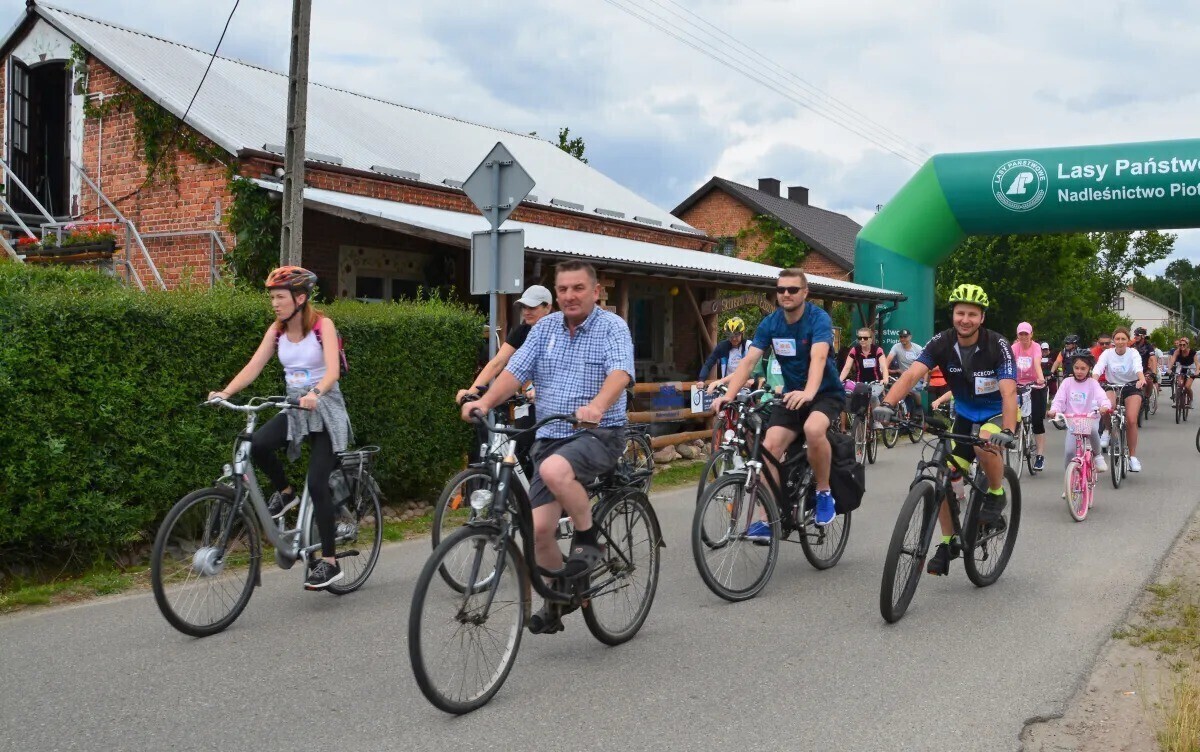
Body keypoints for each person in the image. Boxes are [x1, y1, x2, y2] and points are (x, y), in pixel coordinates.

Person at [460, 260, 634, 635]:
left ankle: (588, 541)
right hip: (549, 436)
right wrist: (485, 402)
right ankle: (559, 596)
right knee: (539, 530)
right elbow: (514, 371)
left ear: (596, 291)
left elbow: (620, 373)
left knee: (555, 469)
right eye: (563, 290)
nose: (570, 296)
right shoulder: (544, 330)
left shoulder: (612, 327)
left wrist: (598, 406)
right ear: (556, 295)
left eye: (578, 288)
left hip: (598, 433)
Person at [208, 266, 353, 590]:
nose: (274, 303)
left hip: (325, 408)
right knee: (257, 444)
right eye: (272, 297)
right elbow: (254, 365)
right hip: (295, 407)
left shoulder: (322, 325)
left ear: (300, 298)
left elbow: (332, 372)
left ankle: (329, 562)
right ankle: (285, 493)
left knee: (317, 483)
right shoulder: (276, 331)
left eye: (280, 297)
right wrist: (226, 393)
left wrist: (316, 393)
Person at [876, 283, 1018, 576]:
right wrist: (888, 404)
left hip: (995, 411)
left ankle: (995, 491)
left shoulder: (997, 344)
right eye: (960, 313)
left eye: (972, 314)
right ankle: (947, 540)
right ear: (953, 314)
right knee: (944, 474)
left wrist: (1008, 429)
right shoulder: (941, 342)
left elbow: (1008, 392)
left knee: (984, 442)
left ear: (982, 318)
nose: (965, 319)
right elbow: (913, 373)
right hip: (965, 413)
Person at [709, 268, 846, 528]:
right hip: (792, 395)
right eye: (781, 289)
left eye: (793, 289)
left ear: (805, 292)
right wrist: (728, 395)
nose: (786, 294)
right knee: (769, 447)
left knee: (813, 429)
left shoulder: (818, 319)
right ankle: (768, 518)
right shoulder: (771, 323)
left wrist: (809, 392)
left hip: (824, 393)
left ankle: (824, 492)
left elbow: (818, 357)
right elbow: (749, 361)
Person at [456, 285, 554, 468]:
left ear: (548, 307)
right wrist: (471, 392)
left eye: (532, 308)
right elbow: (498, 362)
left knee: (544, 457)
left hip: (555, 401)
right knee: (520, 447)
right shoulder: (522, 331)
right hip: (529, 402)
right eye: (524, 307)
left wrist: (538, 390)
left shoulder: (559, 332)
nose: (526, 312)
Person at [1048, 353, 1111, 474]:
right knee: (1069, 452)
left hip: (1090, 418)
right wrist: (1054, 410)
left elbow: (1102, 398)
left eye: (1083, 368)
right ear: (1072, 367)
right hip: (1073, 421)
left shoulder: (1092, 383)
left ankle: (1098, 456)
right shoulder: (1067, 382)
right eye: (1076, 368)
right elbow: (1059, 400)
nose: (1079, 371)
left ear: (1089, 369)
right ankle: (1068, 481)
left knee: (1092, 430)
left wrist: (1104, 406)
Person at [1095, 327, 1146, 472]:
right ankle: (1107, 430)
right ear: (1113, 341)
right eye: (1117, 339)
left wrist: (1141, 379)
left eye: (1123, 339)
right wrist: (1093, 381)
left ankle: (1133, 457)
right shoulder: (1107, 353)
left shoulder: (1133, 353)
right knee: (1107, 408)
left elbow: (1138, 368)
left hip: (1131, 386)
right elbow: (1098, 368)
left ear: (1128, 341)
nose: (1120, 341)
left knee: (1131, 419)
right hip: (1112, 386)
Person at [1012, 322, 1048, 471]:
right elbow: (1010, 365)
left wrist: (1040, 378)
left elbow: (1037, 363)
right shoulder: (1014, 348)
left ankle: (1039, 455)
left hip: (1035, 385)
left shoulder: (1036, 347)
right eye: (1021, 334)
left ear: (1031, 334)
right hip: (1018, 386)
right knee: (1011, 415)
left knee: (1037, 420)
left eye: (1026, 334)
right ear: (1017, 335)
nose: (1024, 337)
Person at [698, 317, 750, 382]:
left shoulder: (748, 346)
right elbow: (709, 362)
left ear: (742, 333)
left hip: (746, 383)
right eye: (730, 336)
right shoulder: (723, 347)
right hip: (728, 384)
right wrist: (701, 379)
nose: (734, 339)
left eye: (737, 335)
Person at [1132, 327, 1159, 406]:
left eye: (1137, 335)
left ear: (1143, 336)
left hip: (1145, 369)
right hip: (1133, 371)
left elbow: (1153, 358)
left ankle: (1147, 396)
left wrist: (1154, 373)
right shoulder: (1132, 345)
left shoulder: (1148, 346)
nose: (1135, 336)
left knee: (1149, 380)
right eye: (1134, 334)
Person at [1169, 336, 1197, 407]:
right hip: (1182, 367)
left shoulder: (1192, 352)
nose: (1182, 346)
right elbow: (1173, 360)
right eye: (1180, 345)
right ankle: (1177, 401)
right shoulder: (1177, 351)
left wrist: (1197, 371)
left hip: (1191, 368)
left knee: (1187, 387)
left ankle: (1191, 400)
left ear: (1187, 345)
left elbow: (1197, 363)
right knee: (1179, 384)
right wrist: (1169, 368)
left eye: (1184, 345)